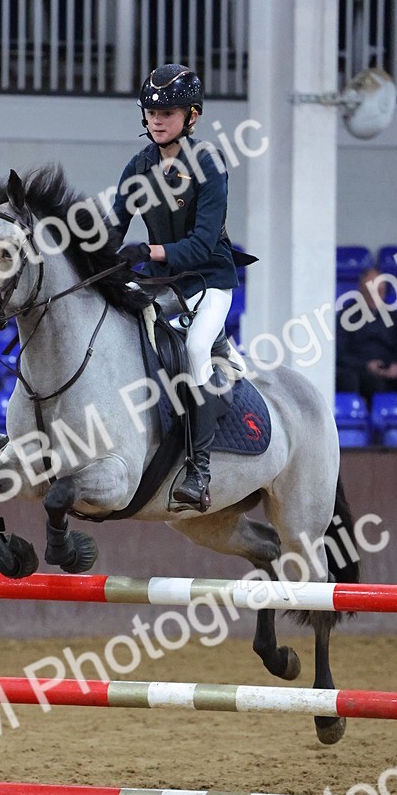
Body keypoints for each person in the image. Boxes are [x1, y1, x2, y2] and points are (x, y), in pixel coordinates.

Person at [109, 63, 245, 513]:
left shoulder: (208, 163)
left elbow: (203, 244)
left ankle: (199, 469)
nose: (156, 119)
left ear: (192, 116)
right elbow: (113, 228)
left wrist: (148, 250)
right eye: (150, 111)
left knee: (196, 348)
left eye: (167, 111)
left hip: (209, 278)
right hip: (161, 283)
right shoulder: (140, 165)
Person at [335, 267, 397, 404]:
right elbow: (341, 354)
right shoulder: (346, 316)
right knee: (373, 384)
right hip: (361, 370)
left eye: (380, 291)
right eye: (370, 292)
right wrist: (366, 365)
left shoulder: (393, 317)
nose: (375, 296)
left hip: (388, 370)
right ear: (361, 290)